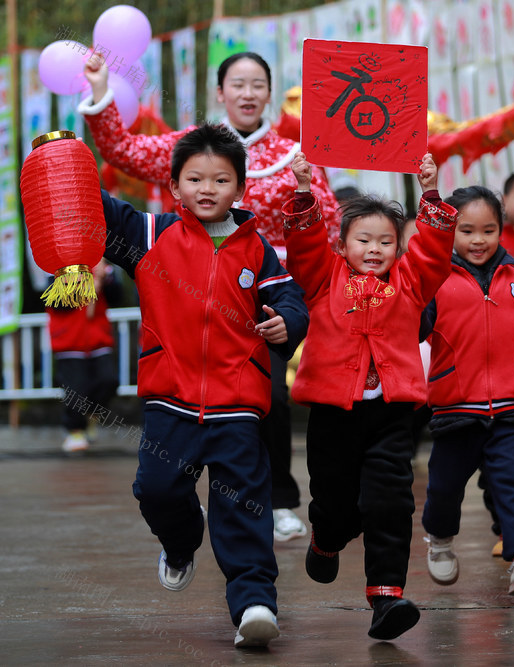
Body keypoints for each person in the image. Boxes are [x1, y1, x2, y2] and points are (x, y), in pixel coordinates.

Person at [80, 51, 339, 542]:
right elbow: (124, 152)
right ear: (220, 93)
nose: (247, 93)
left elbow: (326, 225)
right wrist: (100, 91)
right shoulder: (191, 147)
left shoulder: (294, 153)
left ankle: (276, 501)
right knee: (182, 404)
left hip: (262, 291)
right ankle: (180, 508)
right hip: (191, 290)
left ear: (268, 92)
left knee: (270, 399)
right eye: (237, 84)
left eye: (257, 84)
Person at [97, 123, 309, 646]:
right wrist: (59, 157)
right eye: (195, 178)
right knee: (156, 491)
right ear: (174, 187)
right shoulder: (151, 234)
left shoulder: (257, 249)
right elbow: (98, 208)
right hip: (169, 403)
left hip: (238, 407)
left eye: (221, 179)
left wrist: (287, 322)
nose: (207, 189)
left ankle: (255, 603)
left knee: (242, 507)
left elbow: (290, 300)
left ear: (240, 187)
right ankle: (180, 541)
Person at [281, 152, 456, 641]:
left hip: (391, 415)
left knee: (390, 503)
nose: (375, 249)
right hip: (333, 415)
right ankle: (327, 538)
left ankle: (386, 598)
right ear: (342, 244)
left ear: (400, 247)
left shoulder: (411, 282)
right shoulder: (322, 278)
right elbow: (304, 245)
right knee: (334, 501)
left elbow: (434, 252)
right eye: (364, 240)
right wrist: (302, 187)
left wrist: (430, 193)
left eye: (386, 241)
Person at [421, 185, 514, 596]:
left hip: (511, 409)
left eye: (488, 230)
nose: (478, 240)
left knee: (513, 482)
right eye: (467, 230)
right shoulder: (435, 280)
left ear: (501, 230)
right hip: (454, 411)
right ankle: (441, 540)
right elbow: (411, 327)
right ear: (450, 230)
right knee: (444, 489)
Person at [48, 259, 121, 453]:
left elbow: (117, 297)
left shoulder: (100, 264)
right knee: (76, 390)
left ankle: (91, 415)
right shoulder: (56, 267)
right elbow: (58, 303)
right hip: (70, 340)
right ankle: (74, 430)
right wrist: (86, 287)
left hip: (99, 338)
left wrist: (107, 280)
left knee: (109, 380)